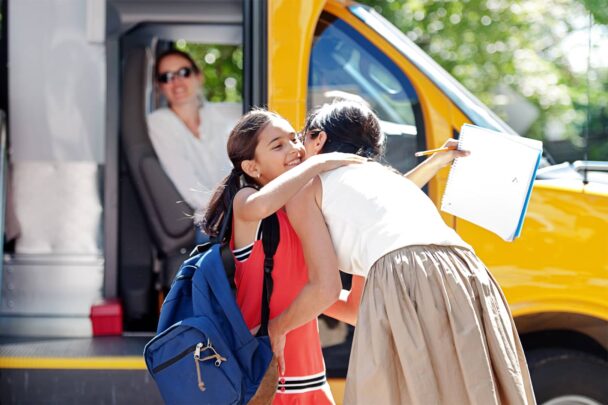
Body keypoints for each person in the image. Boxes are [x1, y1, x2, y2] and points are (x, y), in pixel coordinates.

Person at [268, 100, 536, 405]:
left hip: (403, 270)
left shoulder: (307, 186)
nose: (297, 151)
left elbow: (325, 288)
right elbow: (355, 307)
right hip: (468, 272)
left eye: (300, 139)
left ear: (318, 138)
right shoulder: (386, 182)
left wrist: (277, 326)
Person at [202, 109, 365, 404]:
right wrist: (319, 163)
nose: (294, 149)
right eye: (278, 145)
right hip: (262, 378)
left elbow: (346, 306)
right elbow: (262, 204)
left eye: (294, 139)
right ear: (252, 167)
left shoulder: (304, 211)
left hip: (310, 378)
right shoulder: (246, 204)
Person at [147, 49, 241, 213]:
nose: (177, 82)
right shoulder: (160, 123)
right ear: (159, 86)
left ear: (199, 76)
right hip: (210, 222)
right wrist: (241, 209)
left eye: (184, 72)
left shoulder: (224, 114)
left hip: (238, 211)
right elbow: (192, 193)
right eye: (166, 77)